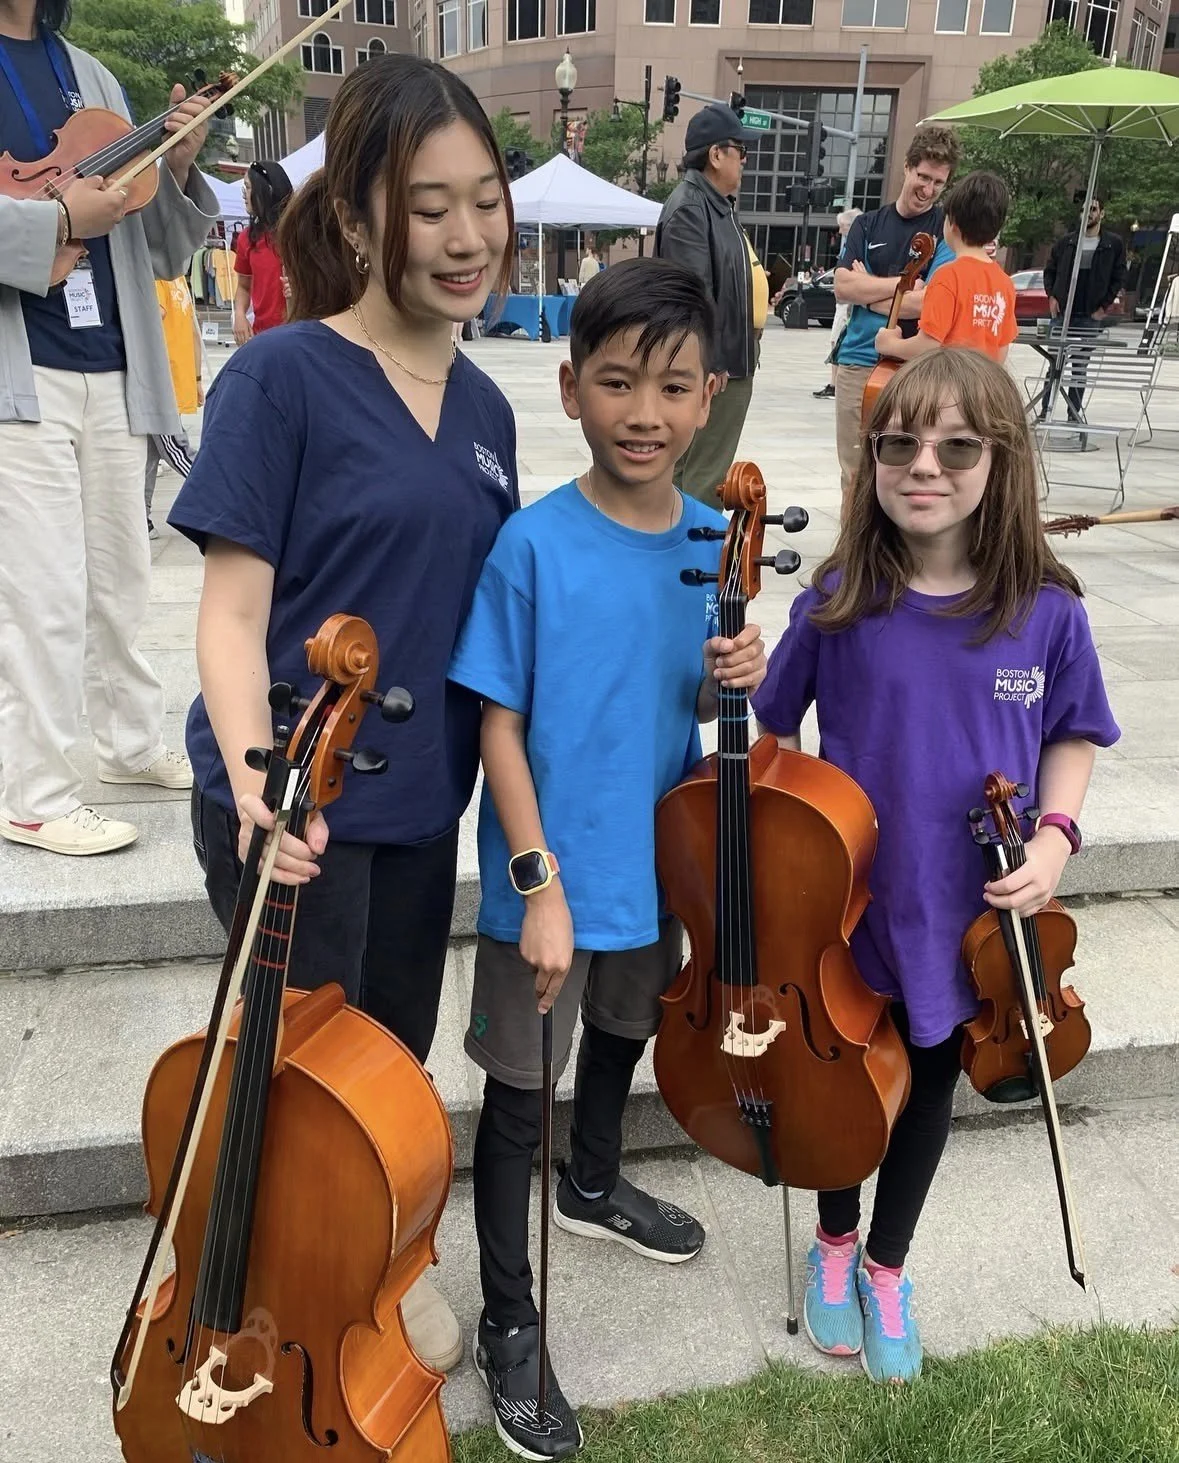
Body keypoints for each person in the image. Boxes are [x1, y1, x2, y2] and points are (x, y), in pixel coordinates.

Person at [167, 53, 518, 1375]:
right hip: (294, 806)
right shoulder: (282, 376)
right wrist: (260, 783)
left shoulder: (486, 410)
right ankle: (261, 1306)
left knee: (389, 1065)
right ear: (363, 218)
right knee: (295, 1078)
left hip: (421, 802)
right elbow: (229, 614)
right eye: (429, 207)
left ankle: (370, 1272)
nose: (466, 236)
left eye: (483, 201)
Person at [448, 257, 766, 1458]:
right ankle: (510, 1317)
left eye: (674, 387)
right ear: (571, 386)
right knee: (517, 1097)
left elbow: (703, 710)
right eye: (619, 382)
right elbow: (500, 725)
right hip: (550, 882)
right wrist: (537, 885)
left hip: (658, 866)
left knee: (628, 1027)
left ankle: (591, 1183)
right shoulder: (532, 545)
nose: (645, 412)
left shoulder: (714, 541)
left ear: (709, 396)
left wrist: (742, 667)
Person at [751, 348, 1118, 1384]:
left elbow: (1073, 733)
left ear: (1002, 462)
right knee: (836, 1080)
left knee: (928, 1088)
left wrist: (1054, 836)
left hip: (967, 916)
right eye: (899, 444)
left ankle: (886, 1263)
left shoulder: (1046, 610)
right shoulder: (839, 597)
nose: (924, 465)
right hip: (849, 905)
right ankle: (832, 1242)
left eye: (957, 448)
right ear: (869, 460)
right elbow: (771, 727)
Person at [0, 0, 215, 857]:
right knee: (42, 593)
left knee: (123, 577)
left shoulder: (89, 73)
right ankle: (34, 794)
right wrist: (56, 222)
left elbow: (156, 245)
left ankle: (127, 743)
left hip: (116, 364)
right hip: (21, 374)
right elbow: (70, 215)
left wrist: (176, 160)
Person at [831, 125, 960, 515]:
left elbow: (930, 303)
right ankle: (853, 548)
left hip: (914, 365)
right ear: (907, 168)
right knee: (855, 473)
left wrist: (870, 292)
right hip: (858, 360)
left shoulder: (944, 231)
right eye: (923, 176)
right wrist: (902, 287)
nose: (928, 189)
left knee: (906, 473)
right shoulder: (867, 224)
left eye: (938, 182)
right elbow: (842, 286)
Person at [655, 102, 766, 505]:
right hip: (718, 367)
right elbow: (693, 296)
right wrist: (711, 364)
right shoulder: (692, 208)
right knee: (704, 477)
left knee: (697, 472)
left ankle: (681, 539)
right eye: (740, 150)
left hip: (728, 362)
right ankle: (691, 544)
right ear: (716, 154)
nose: (745, 159)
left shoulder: (715, 205)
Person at [875, 171, 1016, 366]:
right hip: (985, 382)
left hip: (947, 381)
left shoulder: (947, 277)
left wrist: (891, 345)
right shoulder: (1005, 283)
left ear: (953, 224)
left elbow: (928, 345)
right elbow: (1001, 351)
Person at [1040, 194, 1126, 425]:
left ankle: (1073, 414)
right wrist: (1052, 297)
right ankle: (1045, 410)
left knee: (1079, 367)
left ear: (1102, 213)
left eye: (1093, 209)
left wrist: (1103, 307)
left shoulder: (1113, 244)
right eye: (1085, 209)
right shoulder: (1067, 242)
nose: (1088, 214)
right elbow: (1050, 270)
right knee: (1054, 364)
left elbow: (1118, 277)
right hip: (1063, 314)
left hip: (1089, 315)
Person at [145, 274, 203, 538]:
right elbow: (190, 331)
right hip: (165, 381)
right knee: (165, 450)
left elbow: (157, 320)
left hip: (165, 381)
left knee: (163, 451)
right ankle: (142, 517)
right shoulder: (169, 278)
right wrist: (195, 378)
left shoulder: (164, 278)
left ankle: (141, 518)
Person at [232, 158, 292, 345]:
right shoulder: (246, 238)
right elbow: (243, 286)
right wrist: (239, 315)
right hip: (262, 336)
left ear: (266, 190)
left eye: (248, 187)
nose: (244, 194)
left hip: (298, 331)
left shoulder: (298, 233)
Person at [813, 207, 861, 399]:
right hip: (843, 302)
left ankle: (836, 385)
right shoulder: (850, 245)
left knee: (837, 341)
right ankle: (835, 383)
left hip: (848, 303)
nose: (840, 231)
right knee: (836, 341)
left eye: (843, 226)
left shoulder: (855, 246)